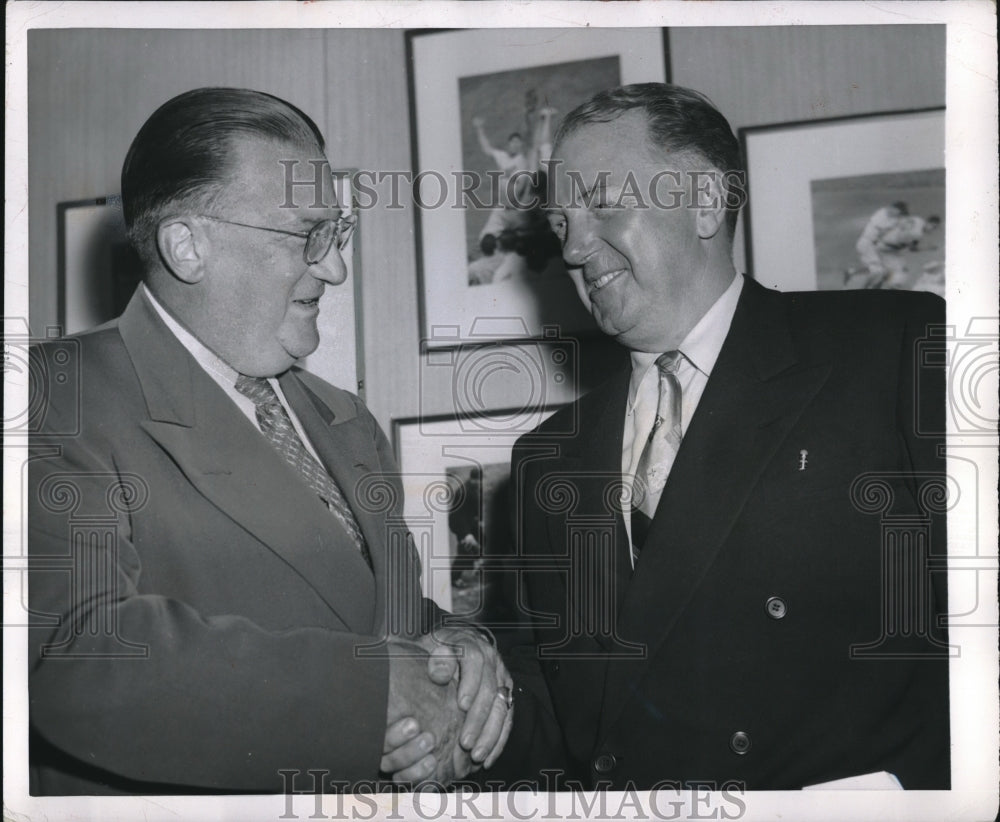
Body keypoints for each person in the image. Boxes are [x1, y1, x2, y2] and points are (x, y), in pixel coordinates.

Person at [27, 87, 513, 795]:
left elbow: (379, 618)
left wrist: (462, 647)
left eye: (335, 234)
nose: (335, 268)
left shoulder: (344, 419)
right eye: (306, 235)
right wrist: (370, 693)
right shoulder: (55, 394)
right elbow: (76, 653)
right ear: (187, 245)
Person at [506, 83, 950, 790]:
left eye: (603, 204)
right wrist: (466, 704)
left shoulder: (895, 347)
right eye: (561, 223)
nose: (576, 248)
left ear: (706, 203)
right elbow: (556, 718)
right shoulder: (545, 459)